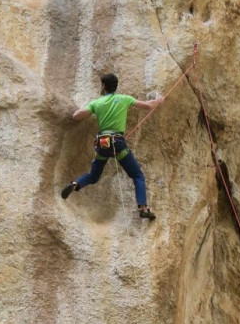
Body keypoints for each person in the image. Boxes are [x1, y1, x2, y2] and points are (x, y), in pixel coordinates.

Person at [61, 72, 163, 220]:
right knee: (137, 175)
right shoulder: (124, 99)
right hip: (117, 143)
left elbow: (77, 116)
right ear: (115, 86)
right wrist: (159, 100)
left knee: (93, 175)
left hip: (103, 143)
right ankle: (143, 208)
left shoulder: (96, 103)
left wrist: (84, 107)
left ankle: (76, 184)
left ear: (103, 86)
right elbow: (148, 106)